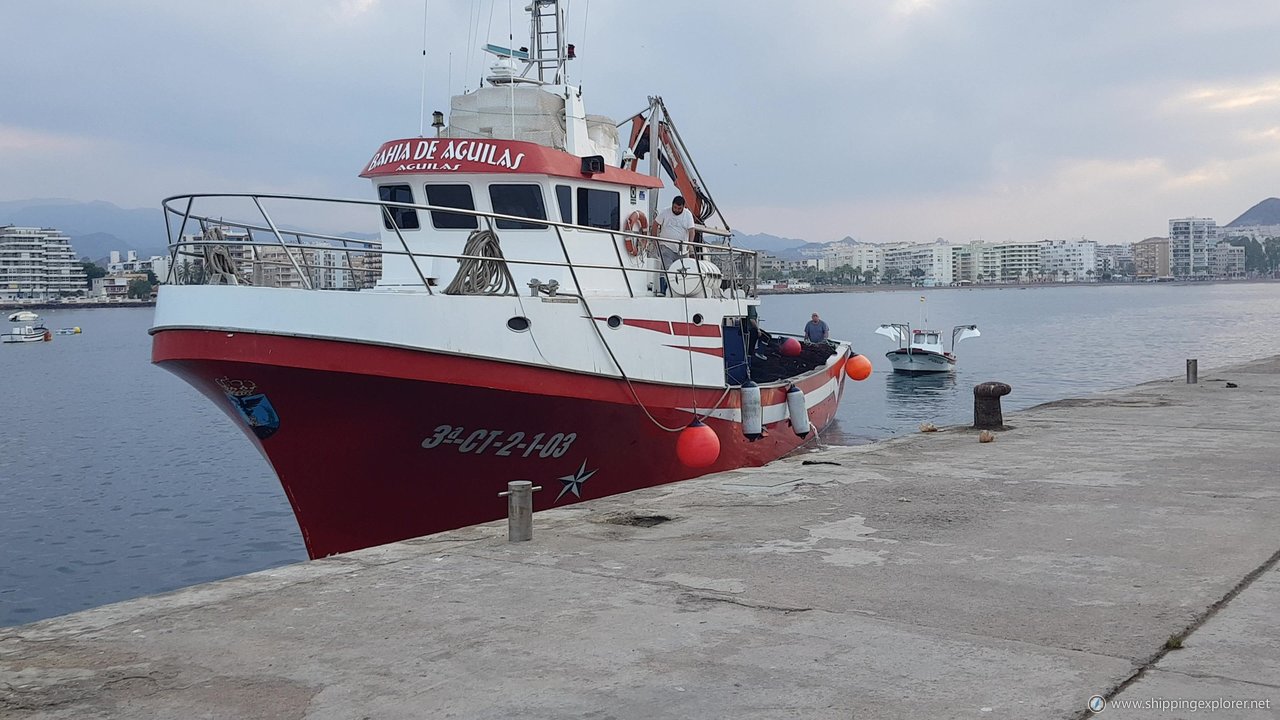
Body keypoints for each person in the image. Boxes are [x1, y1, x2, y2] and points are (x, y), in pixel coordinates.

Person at [652, 195, 696, 270]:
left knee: (683, 272)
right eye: (675, 207)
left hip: (683, 250)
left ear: (683, 207)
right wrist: (654, 239)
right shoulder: (665, 212)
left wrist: (690, 243)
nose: (676, 210)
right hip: (666, 247)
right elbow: (655, 224)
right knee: (667, 270)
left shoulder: (688, 214)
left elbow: (691, 230)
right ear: (672, 205)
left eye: (679, 208)